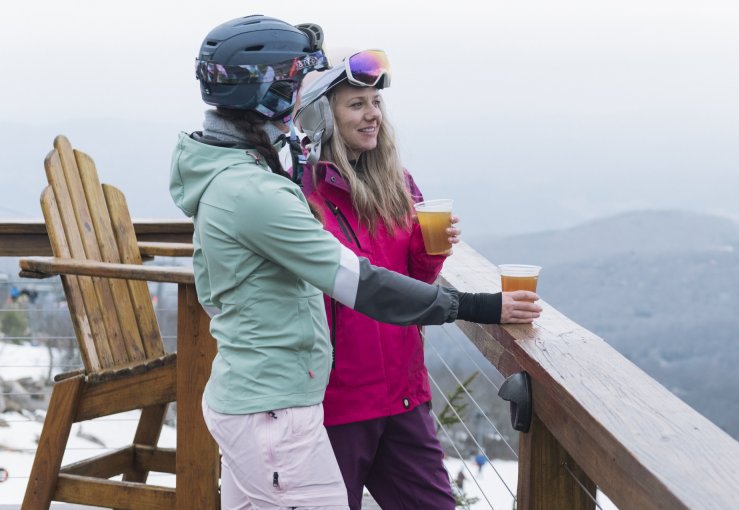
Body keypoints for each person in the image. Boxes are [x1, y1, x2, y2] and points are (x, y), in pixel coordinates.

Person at [172, 15, 541, 509]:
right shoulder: (261, 191)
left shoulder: (243, 178)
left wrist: (427, 252)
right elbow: (362, 284)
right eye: (294, 87)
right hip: (284, 411)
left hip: (289, 404)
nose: (297, 105)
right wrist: (479, 305)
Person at [294, 48, 496, 510]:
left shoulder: (398, 183)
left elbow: (412, 280)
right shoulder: (303, 193)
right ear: (320, 116)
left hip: (404, 396)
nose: (372, 116)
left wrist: (430, 251)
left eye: (376, 103)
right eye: (356, 104)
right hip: (336, 406)